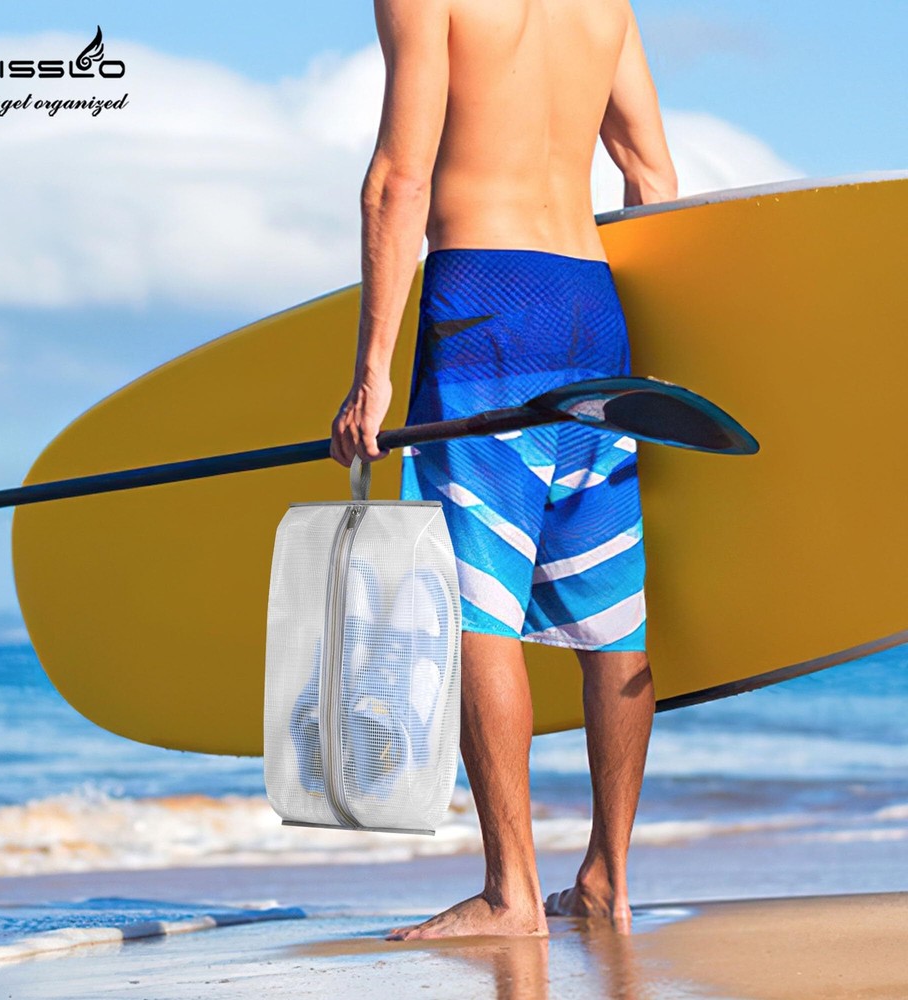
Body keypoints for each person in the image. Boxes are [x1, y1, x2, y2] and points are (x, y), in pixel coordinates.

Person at [330, 0, 677, 939]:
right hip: (594, 304)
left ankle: (511, 892)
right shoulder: (605, 8)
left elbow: (399, 179)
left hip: (483, 301)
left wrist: (372, 373)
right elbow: (650, 175)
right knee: (610, 606)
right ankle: (607, 877)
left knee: (477, 597)